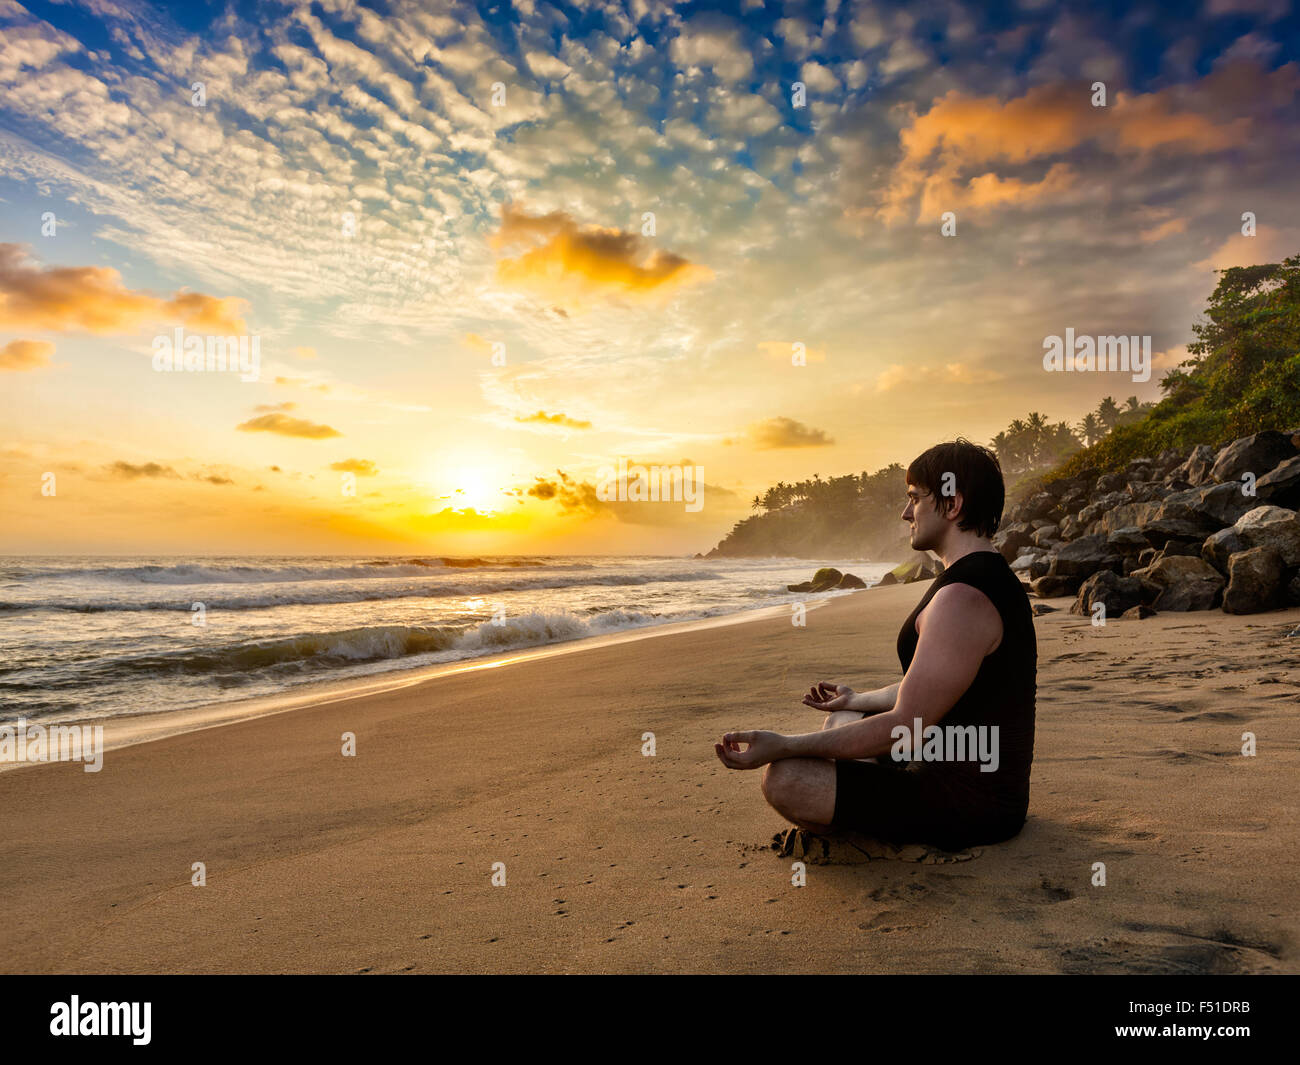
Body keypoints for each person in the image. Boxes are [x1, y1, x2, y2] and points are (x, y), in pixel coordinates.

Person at [713, 439, 1037, 852]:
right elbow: (925, 689)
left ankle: (854, 823)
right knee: (848, 713)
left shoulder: (963, 599)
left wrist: (785, 744)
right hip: (932, 760)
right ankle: (856, 792)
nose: (906, 513)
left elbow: (907, 724)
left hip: (972, 802)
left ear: (953, 505)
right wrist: (858, 697)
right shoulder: (975, 579)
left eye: (915, 499)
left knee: (785, 777)